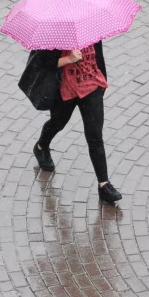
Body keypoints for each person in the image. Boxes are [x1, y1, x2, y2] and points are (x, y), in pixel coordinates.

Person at [30, 40, 122, 204]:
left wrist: (101, 84)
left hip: (91, 85)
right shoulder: (55, 34)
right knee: (58, 123)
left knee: (94, 135)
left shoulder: (90, 27)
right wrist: (69, 59)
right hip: (65, 89)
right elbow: (43, 62)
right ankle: (41, 146)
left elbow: (98, 55)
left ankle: (104, 184)